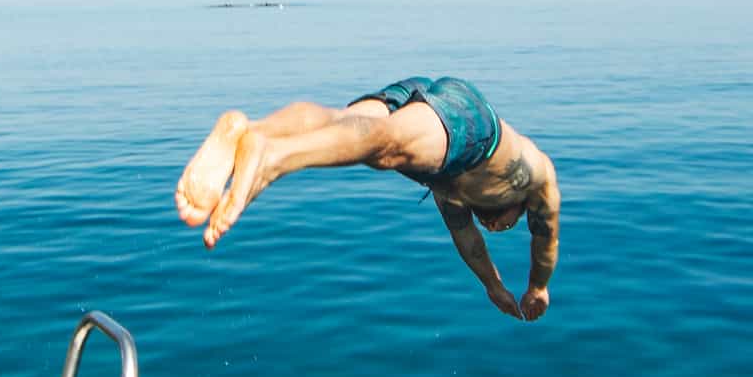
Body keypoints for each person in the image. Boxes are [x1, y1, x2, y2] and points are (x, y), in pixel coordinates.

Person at [174, 77, 560, 320]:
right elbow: (546, 239)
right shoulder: (534, 176)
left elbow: (468, 242)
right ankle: (272, 159)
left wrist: (493, 286)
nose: (493, 226)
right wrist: (538, 287)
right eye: (506, 224)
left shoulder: (454, 195)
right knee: (386, 146)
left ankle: (251, 131)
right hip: (471, 124)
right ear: (520, 208)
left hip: (426, 107)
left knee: (342, 125)